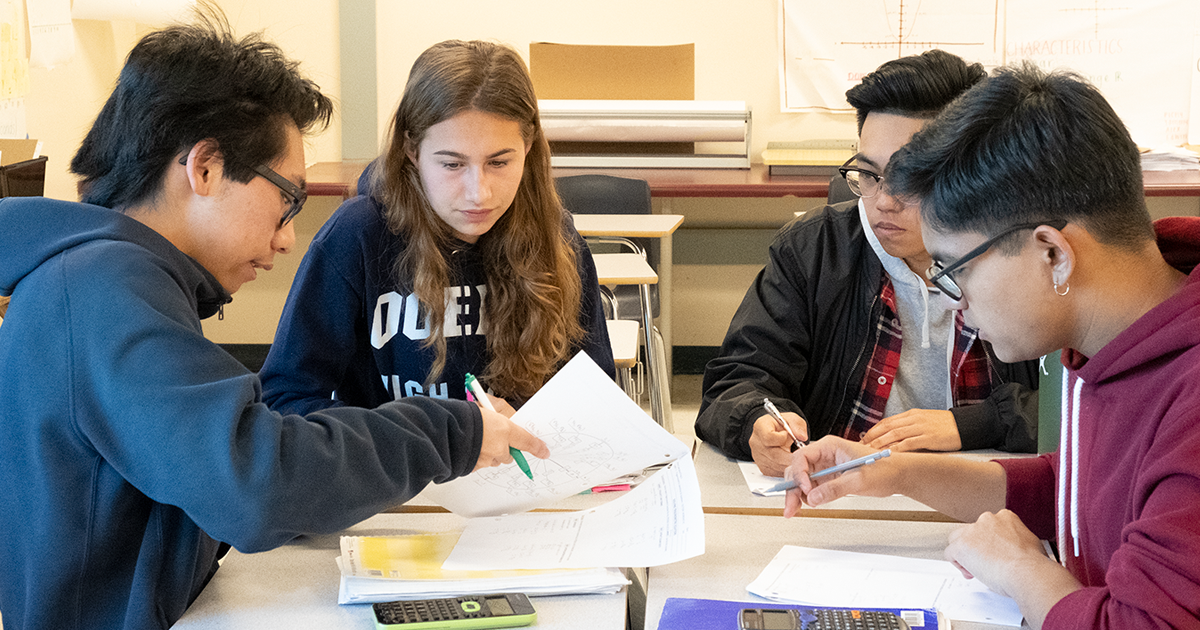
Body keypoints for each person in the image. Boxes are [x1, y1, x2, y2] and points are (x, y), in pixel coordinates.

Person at [0, 14, 548, 630]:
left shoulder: (104, 280)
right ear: (204, 168)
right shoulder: (105, 294)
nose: (288, 238)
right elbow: (258, 483)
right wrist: (455, 432)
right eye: (287, 200)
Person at [785, 63, 1200, 629]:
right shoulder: (1114, 337)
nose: (955, 302)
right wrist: (893, 472)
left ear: (1053, 253)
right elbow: (1074, 492)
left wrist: (1023, 569)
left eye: (956, 270)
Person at [695, 50, 1039, 477]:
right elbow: (738, 379)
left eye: (912, 176)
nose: (883, 202)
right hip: (844, 498)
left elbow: (1090, 399)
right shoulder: (814, 251)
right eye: (869, 174)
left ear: (974, 172)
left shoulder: (1023, 254)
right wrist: (757, 421)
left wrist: (972, 424)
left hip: (993, 492)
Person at [258, 40, 614, 416]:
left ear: (527, 147)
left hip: (520, 472)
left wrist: (535, 426)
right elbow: (285, 399)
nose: (479, 193)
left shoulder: (554, 236)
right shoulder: (357, 235)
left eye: (499, 163)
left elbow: (595, 398)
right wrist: (425, 436)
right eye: (452, 165)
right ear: (412, 150)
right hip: (397, 474)